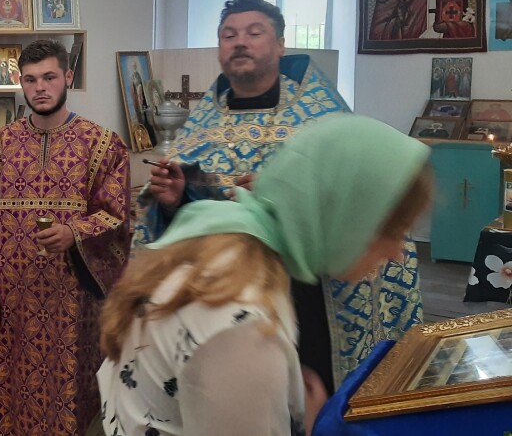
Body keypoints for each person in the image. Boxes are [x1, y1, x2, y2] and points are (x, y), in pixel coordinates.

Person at [139, 0, 422, 394]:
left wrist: (287, 195)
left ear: (280, 45)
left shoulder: (322, 117)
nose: (240, 42)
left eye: (254, 33)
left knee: (307, 391)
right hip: (220, 293)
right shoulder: (201, 124)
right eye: (229, 35)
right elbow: (184, 215)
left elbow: (359, 198)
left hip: (303, 293)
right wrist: (173, 200)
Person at [98, 116, 432, 436]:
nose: (397, 253)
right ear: (343, 216)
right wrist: (313, 427)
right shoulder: (242, 331)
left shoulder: (234, 244)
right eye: (392, 231)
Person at [0, 39, 132, 436]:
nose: (40, 87)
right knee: (10, 388)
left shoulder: (101, 144)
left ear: (68, 77)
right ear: (20, 82)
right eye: (30, 79)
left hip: (72, 301)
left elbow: (117, 216)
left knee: (67, 395)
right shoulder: (0, 145)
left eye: (49, 77)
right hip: (12, 296)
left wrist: (74, 232)